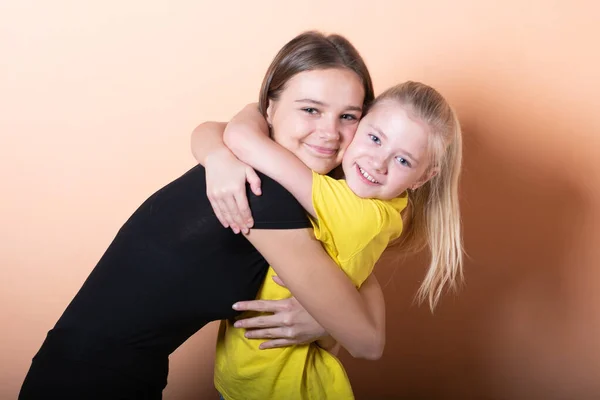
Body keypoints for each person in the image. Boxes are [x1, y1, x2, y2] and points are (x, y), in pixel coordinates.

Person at [18, 31, 383, 400]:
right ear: (270, 108)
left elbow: (352, 270)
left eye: (348, 116)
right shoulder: (264, 195)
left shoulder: (248, 164)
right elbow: (367, 343)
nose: (330, 133)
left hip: (99, 374)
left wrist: (324, 322)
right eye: (310, 109)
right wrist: (325, 324)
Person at [192, 81, 464, 399]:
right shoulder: (383, 205)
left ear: (424, 177)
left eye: (403, 161)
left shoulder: (359, 214)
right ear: (358, 126)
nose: (378, 163)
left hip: (288, 388)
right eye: (374, 138)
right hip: (254, 382)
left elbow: (241, 138)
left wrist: (262, 107)